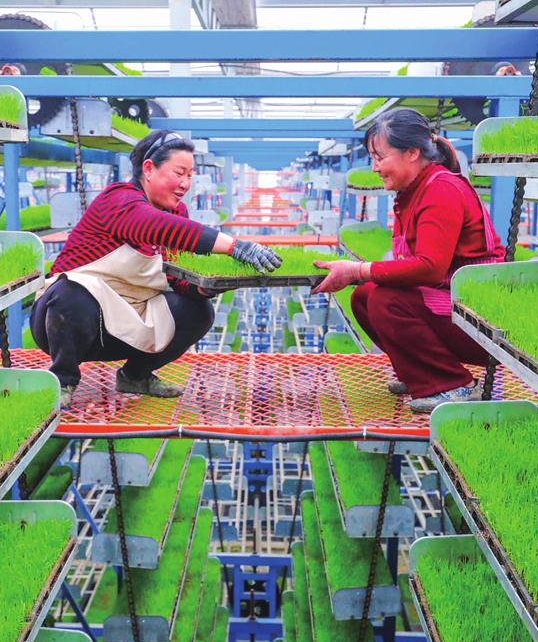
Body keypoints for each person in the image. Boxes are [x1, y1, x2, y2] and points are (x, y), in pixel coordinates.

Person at [32, 130, 283, 408]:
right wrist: (234, 246)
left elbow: (178, 279)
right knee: (72, 292)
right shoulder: (117, 199)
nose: (186, 183)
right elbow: (157, 226)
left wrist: (203, 287)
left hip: (121, 326)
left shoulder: (177, 213)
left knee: (197, 310)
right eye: (179, 173)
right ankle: (63, 379)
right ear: (148, 169)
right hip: (64, 324)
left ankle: (135, 375)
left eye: (190, 175)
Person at [312, 108, 505, 413]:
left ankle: (455, 385)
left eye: (380, 157)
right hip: (452, 305)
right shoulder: (412, 192)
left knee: (386, 301)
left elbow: (430, 267)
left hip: (481, 318)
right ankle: (421, 373)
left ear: (413, 152)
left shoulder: (441, 190)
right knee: (364, 297)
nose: (375, 167)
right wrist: (360, 276)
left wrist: (358, 269)